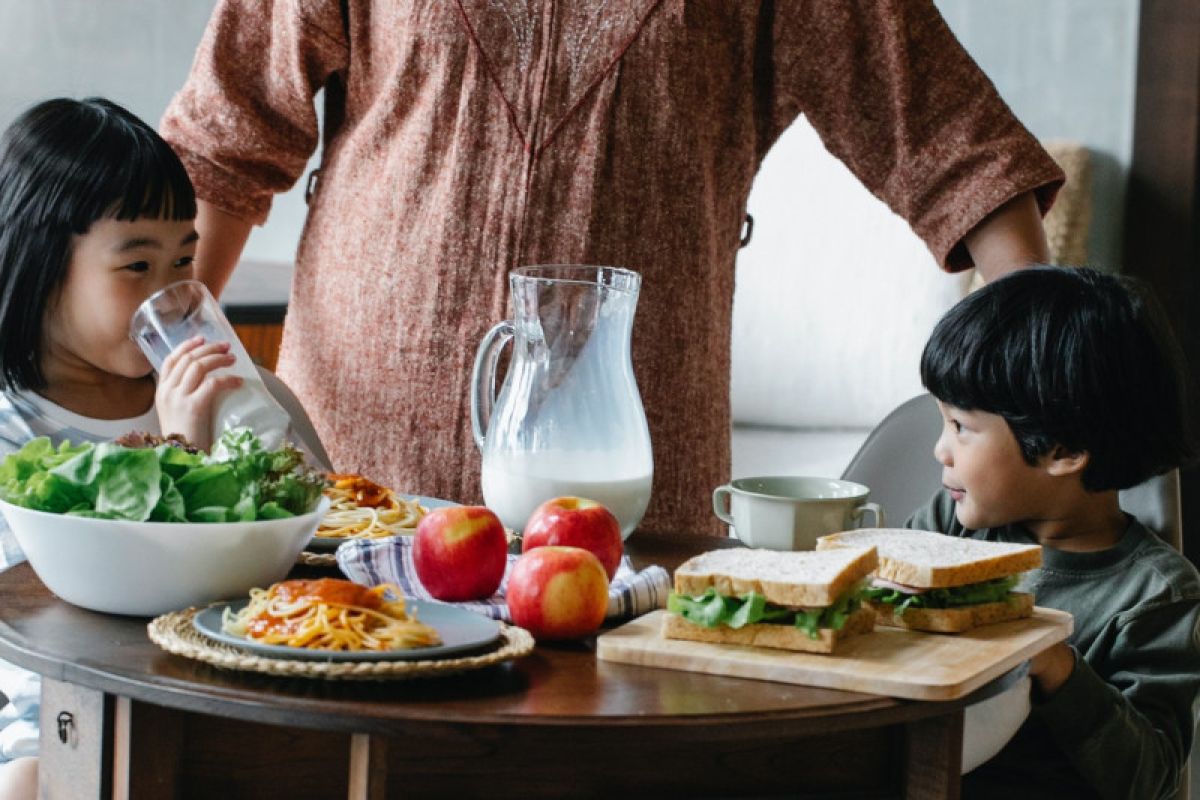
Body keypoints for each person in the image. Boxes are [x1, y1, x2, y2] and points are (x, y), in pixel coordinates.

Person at [161, 1, 1065, 535]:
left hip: (633, 502)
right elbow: (222, 141)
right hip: (347, 479)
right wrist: (164, 376)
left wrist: (1048, 385)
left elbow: (955, 144)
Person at [0, 96, 291, 800]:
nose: (169, 293)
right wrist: (177, 453)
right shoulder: (14, 425)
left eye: (184, 260)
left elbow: (309, 517)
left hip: (214, 693)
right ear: (43, 263)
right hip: (50, 707)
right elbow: (66, 615)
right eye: (136, 266)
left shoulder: (213, 394)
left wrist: (264, 413)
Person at [909, 266, 1199, 798]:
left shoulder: (1155, 595)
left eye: (961, 428)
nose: (940, 450)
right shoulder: (948, 528)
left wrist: (1053, 659)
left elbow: (1151, 777)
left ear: (1063, 450)